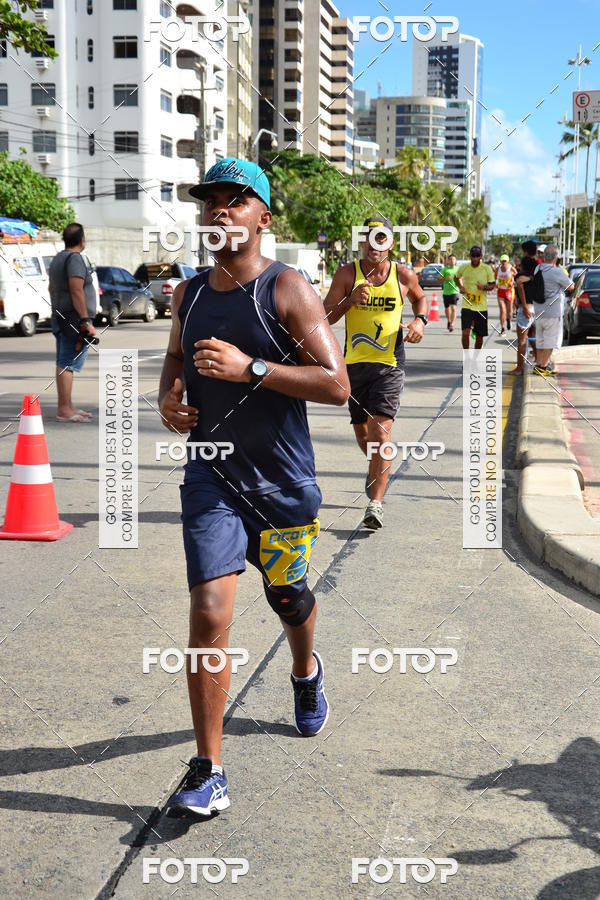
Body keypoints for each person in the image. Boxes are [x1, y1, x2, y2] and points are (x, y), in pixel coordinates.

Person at [158, 158, 350, 817]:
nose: (220, 210)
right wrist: (168, 398)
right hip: (211, 475)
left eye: (235, 200)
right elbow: (177, 358)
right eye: (210, 200)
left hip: (282, 483)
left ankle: (305, 673)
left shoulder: (287, 289)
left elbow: (336, 384)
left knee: (288, 596)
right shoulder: (188, 295)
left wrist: (253, 368)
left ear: (263, 217)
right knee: (211, 610)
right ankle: (208, 769)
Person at [323, 216, 428, 530]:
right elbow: (325, 316)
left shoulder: (403, 275)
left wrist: (420, 320)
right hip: (353, 365)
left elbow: (420, 297)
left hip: (389, 364)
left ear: (391, 243)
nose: (374, 245)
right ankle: (376, 467)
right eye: (369, 238)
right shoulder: (347, 274)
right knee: (364, 435)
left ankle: (375, 504)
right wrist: (349, 300)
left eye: (381, 239)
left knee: (381, 433)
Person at [48, 223, 96, 422]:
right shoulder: (75, 259)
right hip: (74, 318)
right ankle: (64, 410)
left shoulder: (58, 258)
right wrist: (85, 320)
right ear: (82, 240)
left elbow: (51, 288)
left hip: (61, 316)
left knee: (63, 361)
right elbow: (76, 289)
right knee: (68, 363)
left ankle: (67, 406)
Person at [531, 244, 575, 377]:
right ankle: (542, 367)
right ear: (556, 257)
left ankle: (539, 364)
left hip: (539, 310)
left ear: (544, 256)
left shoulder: (538, 268)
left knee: (540, 339)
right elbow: (571, 286)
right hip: (552, 312)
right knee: (550, 340)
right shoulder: (556, 271)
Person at [455, 246, 496, 349]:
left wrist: (484, 287)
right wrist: (460, 286)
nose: (475, 258)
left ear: (481, 256)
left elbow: (492, 285)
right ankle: (467, 357)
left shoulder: (487, 269)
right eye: (473, 256)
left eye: (477, 256)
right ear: (470, 256)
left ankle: (475, 357)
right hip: (467, 306)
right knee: (465, 333)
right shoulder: (464, 267)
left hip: (481, 308)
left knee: (479, 337)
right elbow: (456, 277)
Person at [508, 255, 536, 375]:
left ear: (522, 266)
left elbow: (519, 285)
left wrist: (524, 307)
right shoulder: (534, 277)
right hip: (535, 309)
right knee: (532, 337)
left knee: (522, 341)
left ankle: (519, 368)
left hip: (526, 309)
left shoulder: (520, 276)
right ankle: (539, 360)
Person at [496, 254, 516, 335]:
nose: (503, 263)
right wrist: (496, 283)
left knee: (509, 311)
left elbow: (516, 274)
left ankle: (509, 320)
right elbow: (494, 278)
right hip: (501, 291)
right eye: (502, 261)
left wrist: (512, 281)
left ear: (508, 262)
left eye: (505, 261)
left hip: (509, 291)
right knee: (502, 310)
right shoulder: (498, 269)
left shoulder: (511, 268)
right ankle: (503, 328)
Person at [440, 252, 460, 331]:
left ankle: (452, 324)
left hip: (455, 291)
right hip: (446, 292)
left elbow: (462, 278)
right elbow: (438, 279)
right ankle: (449, 320)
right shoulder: (445, 269)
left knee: (454, 308)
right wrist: (445, 278)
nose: (452, 261)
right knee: (447, 309)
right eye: (450, 259)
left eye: (453, 259)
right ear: (448, 261)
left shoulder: (458, 269)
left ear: (456, 261)